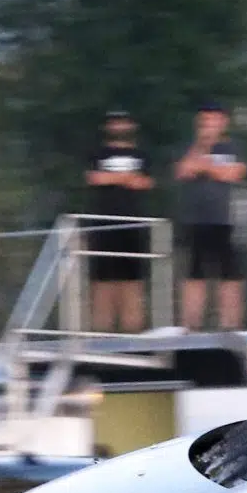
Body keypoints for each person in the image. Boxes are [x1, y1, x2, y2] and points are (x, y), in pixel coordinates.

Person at [172, 104, 247, 331]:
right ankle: (191, 325)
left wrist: (205, 167)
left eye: (214, 120)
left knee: (230, 275)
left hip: (227, 219)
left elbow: (235, 173)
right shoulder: (189, 147)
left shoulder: (234, 148)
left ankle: (230, 325)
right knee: (194, 274)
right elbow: (183, 171)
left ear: (224, 122)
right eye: (205, 121)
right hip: (195, 219)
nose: (209, 125)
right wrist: (202, 148)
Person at [83, 110, 154, 331]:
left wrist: (112, 179)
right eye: (114, 123)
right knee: (102, 285)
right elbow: (94, 178)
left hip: (134, 226)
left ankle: (132, 337)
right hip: (103, 226)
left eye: (123, 122)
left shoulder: (142, 155)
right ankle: (100, 337)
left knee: (133, 284)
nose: (119, 126)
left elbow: (146, 183)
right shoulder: (97, 153)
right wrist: (126, 178)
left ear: (131, 125)